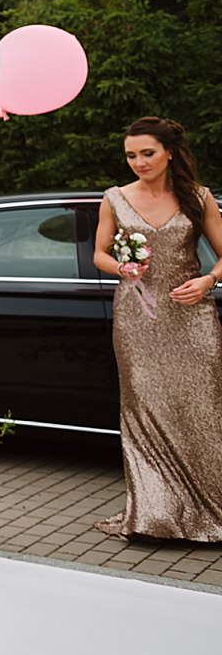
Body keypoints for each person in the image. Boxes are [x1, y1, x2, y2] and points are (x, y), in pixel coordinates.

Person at [92, 116, 222, 542]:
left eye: (147, 153)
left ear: (169, 152)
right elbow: (99, 254)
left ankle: (209, 509)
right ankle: (155, 516)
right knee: (143, 411)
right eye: (131, 155)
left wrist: (207, 280)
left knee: (201, 411)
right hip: (139, 318)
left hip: (193, 318)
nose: (138, 162)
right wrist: (122, 267)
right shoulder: (114, 198)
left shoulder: (199, 198)